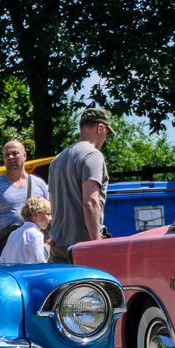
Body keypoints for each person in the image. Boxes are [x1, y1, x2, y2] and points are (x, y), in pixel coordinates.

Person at [47, 108, 113, 263]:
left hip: (57, 246)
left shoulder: (57, 160)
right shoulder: (93, 155)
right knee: (92, 288)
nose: (105, 138)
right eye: (107, 133)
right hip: (82, 245)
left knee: (62, 288)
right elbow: (90, 202)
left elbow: (52, 204)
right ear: (100, 128)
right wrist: (96, 244)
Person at [0, 140, 49, 262]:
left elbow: (50, 214)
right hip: (6, 252)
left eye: (15, 153)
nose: (10, 157)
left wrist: (48, 244)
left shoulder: (39, 184)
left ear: (25, 155)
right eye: (7, 155)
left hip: (35, 249)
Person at [0, 196, 52, 264]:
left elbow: (2, 261)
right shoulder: (36, 234)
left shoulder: (14, 233)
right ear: (35, 215)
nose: (51, 218)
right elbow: (39, 264)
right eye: (48, 214)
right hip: (26, 273)